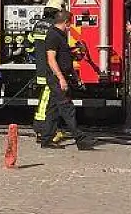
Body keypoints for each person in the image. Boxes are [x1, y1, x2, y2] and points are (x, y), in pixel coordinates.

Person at [39, 10, 94, 150]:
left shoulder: (61, 36)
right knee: (67, 108)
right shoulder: (53, 36)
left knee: (53, 110)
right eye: (70, 24)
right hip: (56, 78)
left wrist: (73, 53)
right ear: (66, 22)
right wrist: (61, 78)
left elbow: (63, 57)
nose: (71, 27)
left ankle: (46, 139)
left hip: (61, 76)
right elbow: (51, 59)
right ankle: (80, 139)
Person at [31, 0, 67, 143]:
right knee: (46, 100)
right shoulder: (55, 27)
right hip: (50, 70)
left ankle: (49, 129)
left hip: (40, 68)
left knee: (47, 99)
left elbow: (30, 44)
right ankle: (41, 129)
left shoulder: (38, 24)